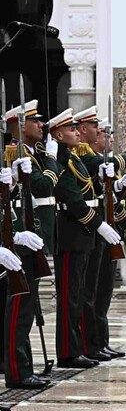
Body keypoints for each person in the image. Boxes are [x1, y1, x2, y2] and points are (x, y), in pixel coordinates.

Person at [49, 108, 122, 369]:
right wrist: (99, 225)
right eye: (71, 130)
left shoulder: (72, 157)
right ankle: (69, 352)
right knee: (71, 295)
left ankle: (80, 347)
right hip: (71, 233)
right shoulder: (59, 159)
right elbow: (73, 200)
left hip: (82, 233)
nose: (76, 133)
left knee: (81, 293)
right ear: (58, 134)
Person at [2, 100, 59, 389]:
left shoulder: (28, 155)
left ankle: (22, 367)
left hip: (28, 238)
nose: (41, 126)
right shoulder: (12, 153)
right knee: (18, 309)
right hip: (17, 242)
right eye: (34, 122)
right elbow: (42, 188)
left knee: (25, 309)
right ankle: (17, 369)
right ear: (18, 126)